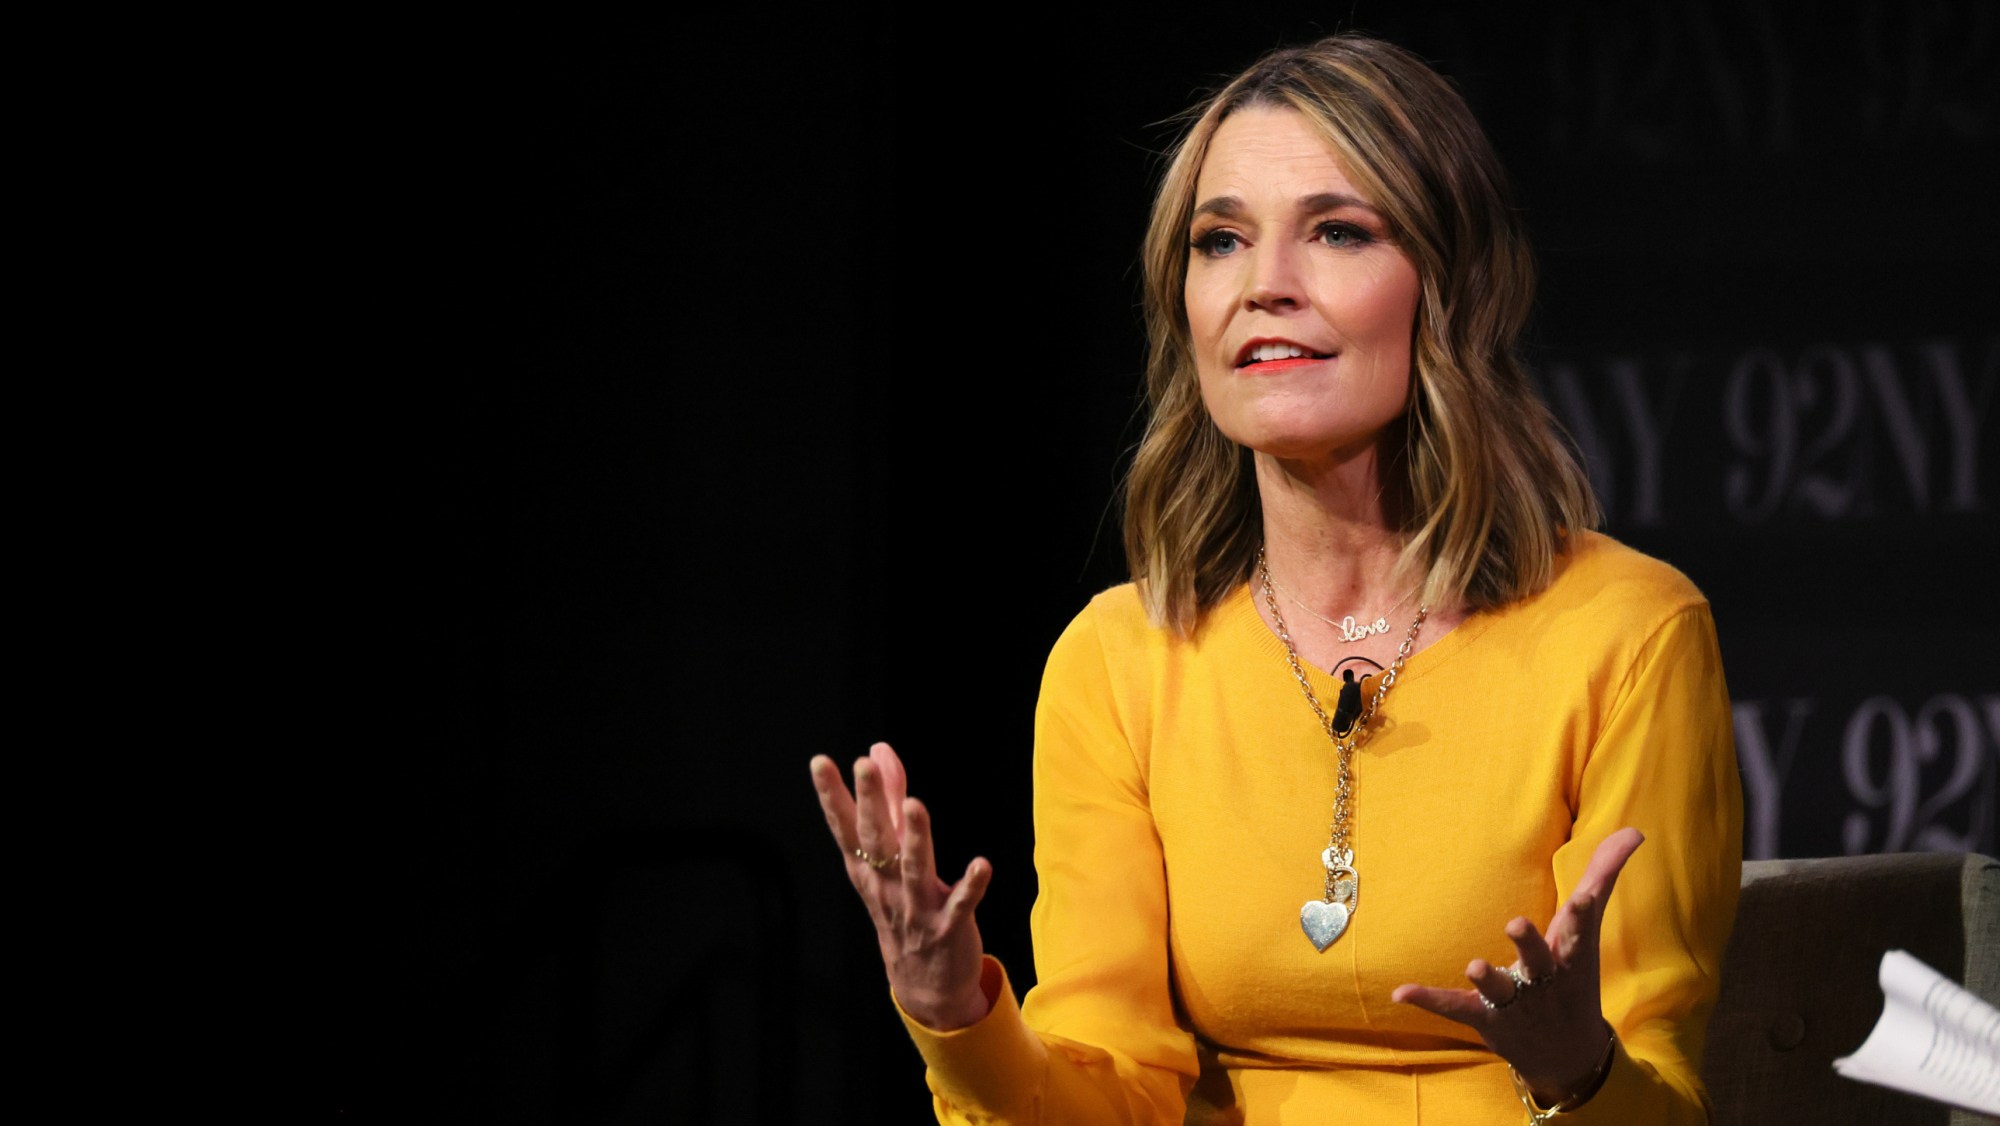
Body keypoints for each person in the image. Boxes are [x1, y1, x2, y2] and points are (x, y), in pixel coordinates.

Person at [810, 31, 1742, 1125]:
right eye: (1221, 241)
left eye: (1337, 232)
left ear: (1448, 284)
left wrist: (1574, 1070)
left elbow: (1663, 1088)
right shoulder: (1118, 662)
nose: (1264, 287)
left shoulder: (1626, 634)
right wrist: (958, 1018)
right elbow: (1114, 1091)